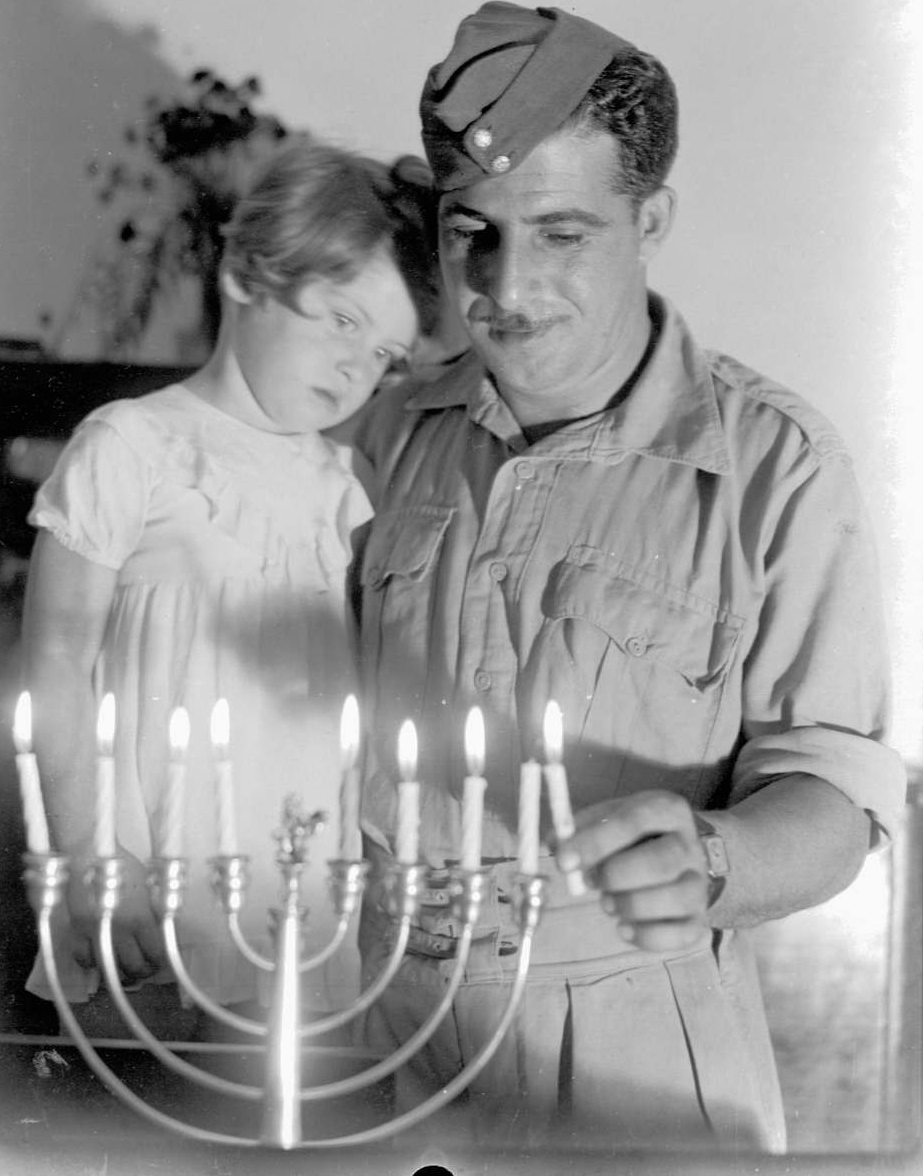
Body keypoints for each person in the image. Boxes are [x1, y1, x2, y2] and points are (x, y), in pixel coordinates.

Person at [346, 3, 907, 1153]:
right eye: (473, 232)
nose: (506, 285)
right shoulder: (387, 434)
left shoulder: (774, 469)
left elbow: (837, 803)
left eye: (562, 233)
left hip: (634, 1062)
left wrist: (713, 859)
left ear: (650, 217)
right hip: (383, 1045)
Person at [20, 130, 428, 1036]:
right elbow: (55, 661)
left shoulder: (344, 489)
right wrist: (93, 855)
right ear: (246, 276)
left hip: (298, 891)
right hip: (148, 871)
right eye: (343, 322)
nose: (359, 370)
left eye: (387, 357)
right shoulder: (132, 446)